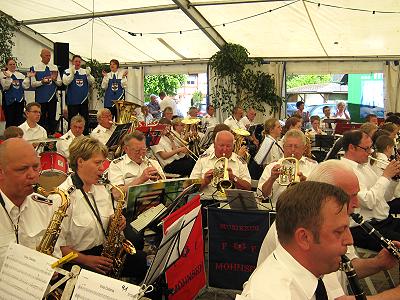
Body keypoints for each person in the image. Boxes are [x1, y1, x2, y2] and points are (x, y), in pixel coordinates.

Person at [256, 160, 400, 299]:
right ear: (323, 195)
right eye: (351, 197)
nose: (356, 204)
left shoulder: (326, 222)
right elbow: (337, 298)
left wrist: (378, 262)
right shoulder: (305, 227)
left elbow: (345, 267)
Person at [237, 181, 352, 300]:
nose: (350, 240)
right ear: (304, 238)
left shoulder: (309, 276)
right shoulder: (275, 294)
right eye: (339, 231)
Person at [55, 136, 147, 282]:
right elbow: (57, 247)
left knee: (142, 261)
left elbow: (109, 218)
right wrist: (86, 260)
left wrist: (117, 221)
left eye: (103, 162)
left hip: (103, 250)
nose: (102, 168)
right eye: (97, 163)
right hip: (77, 259)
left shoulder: (101, 189)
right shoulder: (62, 197)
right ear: (80, 162)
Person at [0, 138, 59, 267]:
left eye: (36, 167)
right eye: (22, 169)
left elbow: (55, 255)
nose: (33, 175)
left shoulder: (46, 206)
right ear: (1, 172)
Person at [341, 130, 400, 251]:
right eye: (366, 149)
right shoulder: (345, 171)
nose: (370, 152)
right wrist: (385, 176)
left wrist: (393, 179)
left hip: (383, 221)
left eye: (371, 147)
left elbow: (386, 197)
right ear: (352, 148)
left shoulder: (365, 166)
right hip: (363, 228)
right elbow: (369, 202)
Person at [257, 129, 318, 206]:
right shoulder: (271, 166)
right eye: (289, 146)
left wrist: (305, 182)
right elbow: (261, 195)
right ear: (283, 147)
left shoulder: (313, 166)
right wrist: (271, 179)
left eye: (296, 146)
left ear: (304, 148)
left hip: (305, 211)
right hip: (278, 210)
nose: (292, 150)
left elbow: (319, 195)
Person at [190, 130, 251, 200]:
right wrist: (205, 181)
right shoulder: (203, 159)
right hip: (207, 201)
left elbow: (248, 188)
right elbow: (190, 187)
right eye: (221, 145)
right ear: (214, 145)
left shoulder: (240, 161)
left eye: (228, 146)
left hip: (231, 203)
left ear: (233, 146)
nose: (224, 149)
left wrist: (233, 178)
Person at [30, 48, 62, 135]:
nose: (48, 58)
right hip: (41, 98)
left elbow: (59, 83)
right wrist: (42, 82)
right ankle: (40, 135)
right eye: (46, 56)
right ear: (41, 56)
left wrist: (54, 79)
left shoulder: (54, 67)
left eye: (49, 56)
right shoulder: (34, 67)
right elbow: (32, 84)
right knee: (41, 118)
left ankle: (51, 137)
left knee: (52, 118)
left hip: (52, 97)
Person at [62, 55, 94, 135]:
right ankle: (71, 136)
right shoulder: (67, 71)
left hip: (83, 100)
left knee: (85, 120)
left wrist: (88, 75)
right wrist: (72, 74)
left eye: (79, 61)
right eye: (76, 61)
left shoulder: (84, 71)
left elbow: (92, 81)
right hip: (72, 100)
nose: (78, 63)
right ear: (72, 62)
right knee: (72, 120)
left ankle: (85, 136)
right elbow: (65, 82)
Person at [0, 58, 31, 127]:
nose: (12, 66)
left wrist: (28, 77)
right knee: (10, 120)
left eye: (14, 64)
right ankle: (9, 137)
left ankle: (18, 136)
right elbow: (5, 87)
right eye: (10, 64)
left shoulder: (20, 75)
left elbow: (25, 86)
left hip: (19, 100)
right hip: (9, 101)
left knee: (19, 121)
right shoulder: (3, 74)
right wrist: (8, 77)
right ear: (7, 66)